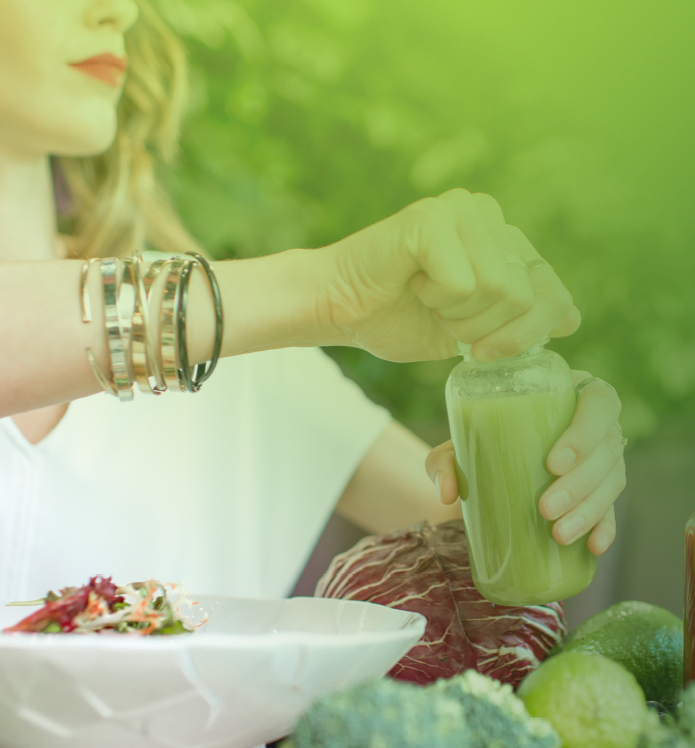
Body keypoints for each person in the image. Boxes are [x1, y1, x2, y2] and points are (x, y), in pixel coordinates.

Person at [0, 0, 625, 601]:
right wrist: (332, 292)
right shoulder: (255, 310)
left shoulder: (245, 336)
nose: (119, 10)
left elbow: (498, 551)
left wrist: (554, 450)